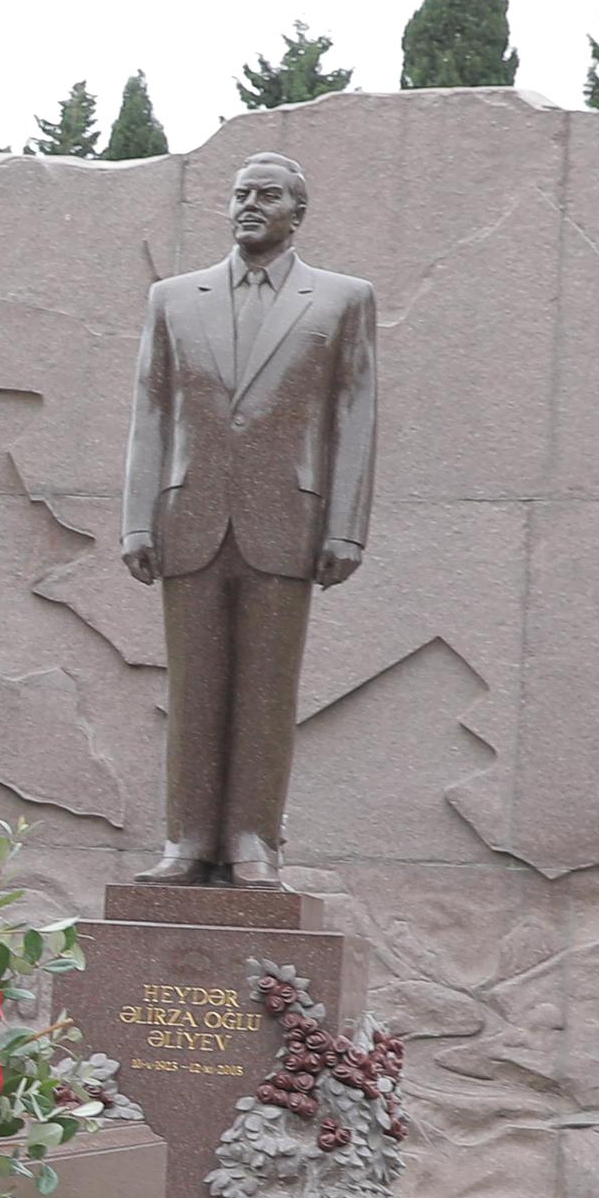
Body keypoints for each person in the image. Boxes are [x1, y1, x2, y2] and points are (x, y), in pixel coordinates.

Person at [118, 150, 380, 884]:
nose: (249, 206)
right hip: (190, 515)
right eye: (239, 195)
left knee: (267, 691)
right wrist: (138, 521)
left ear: (298, 213)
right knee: (192, 687)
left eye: (267, 195)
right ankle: (186, 839)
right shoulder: (173, 298)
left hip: (286, 522)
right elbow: (151, 410)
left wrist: (345, 525)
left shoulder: (341, 299)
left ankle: (252, 840)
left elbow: (354, 415)